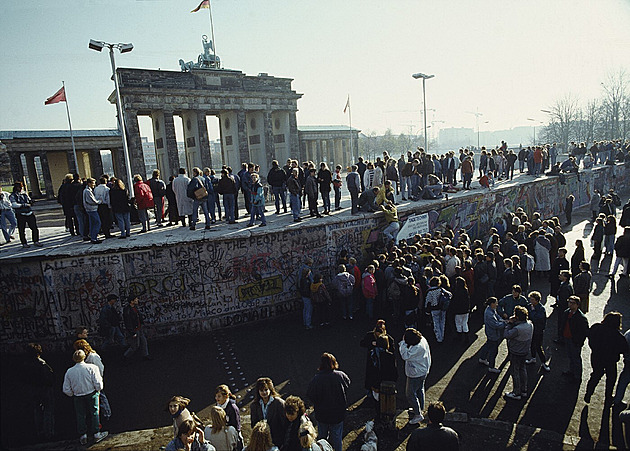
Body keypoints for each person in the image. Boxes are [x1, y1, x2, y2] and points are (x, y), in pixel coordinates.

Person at [62, 350, 108, 445]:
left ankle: (83, 435)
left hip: (78, 396)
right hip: (91, 393)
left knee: (80, 415)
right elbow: (98, 383)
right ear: (84, 357)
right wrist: (98, 390)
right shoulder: (92, 368)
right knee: (94, 412)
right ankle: (96, 433)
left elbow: (66, 389)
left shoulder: (69, 371)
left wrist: (73, 394)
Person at [306, 353, 351, 451]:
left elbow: (310, 394)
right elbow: (348, 384)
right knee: (337, 438)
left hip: (322, 414)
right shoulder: (340, 375)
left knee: (322, 438)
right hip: (338, 414)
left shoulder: (317, 379)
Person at [584, 312, 629, 407]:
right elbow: (624, 348)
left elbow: (589, 336)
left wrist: (594, 348)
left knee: (596, 375)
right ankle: (608, 397)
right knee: (611, 378)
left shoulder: (596, 327)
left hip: (596, 357)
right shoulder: (617, 335)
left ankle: (588, 394)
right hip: (610, 360)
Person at [73, 339, 111, 422]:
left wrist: (97, 378)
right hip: (90, 381)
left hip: (95, 380)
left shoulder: (93, 357)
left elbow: (100, 368)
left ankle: (106, 414)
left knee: (101, 397)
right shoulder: (86, 357)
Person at [399, 328, 431, 424]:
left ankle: (418, 414)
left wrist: (403, 343)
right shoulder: (422, 340)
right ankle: (419, 408)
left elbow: (405, 355)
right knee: (420, 389)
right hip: (423, 370)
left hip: (416, 373)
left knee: (410, 393)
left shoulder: (416, 348)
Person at [24, 343, 55, 440]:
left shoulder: (26, 364)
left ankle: (39, 432)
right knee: (48, 410)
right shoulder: (42, 364)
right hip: (44, 389)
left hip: (33, 390)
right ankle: (49, 432)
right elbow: (50, 377)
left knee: (37, 410)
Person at [503, 306, 534, 400]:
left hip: (516, 351)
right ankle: (524, 390)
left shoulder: (518, 329)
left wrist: (509, 324)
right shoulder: (530, 324)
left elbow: (506, 335)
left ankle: (516, 392)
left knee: (515, 371)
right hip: (525, 351)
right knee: (522, 369)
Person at [250, 377, 287, 447]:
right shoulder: (254, 405)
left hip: (277, 439)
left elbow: (284, 423)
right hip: (262, 441)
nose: (264, 392)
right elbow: (253, 423)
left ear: (270, 389)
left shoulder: (279, 403)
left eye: (266, 390)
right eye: (261, 390)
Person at [560, 296, 589, 383]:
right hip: (567, 338)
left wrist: (579, 342)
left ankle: (577, 376)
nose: (570, 304)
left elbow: (584, 332)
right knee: (570, 356)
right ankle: (571, 371)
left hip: (574, 341)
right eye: (569, 302)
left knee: (576, 358)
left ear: (577, 305)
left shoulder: (581, 318)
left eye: (572, 303)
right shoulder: (566, 312)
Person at [10, 181, 42, 248]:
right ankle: (24, 243)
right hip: (21, 214)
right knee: (22, 229)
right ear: (16, 188)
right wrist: (24, 205)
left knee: (34, 228)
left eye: (21, 187)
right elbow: (14, 205)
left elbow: (29, 200)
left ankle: (36, 240)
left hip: (29, 212)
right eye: (19, 187)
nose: (21, 189)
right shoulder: (13, 195)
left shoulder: (24, 193)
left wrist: (31, 201)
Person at [478, 298, 507, 373]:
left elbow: (497, 316)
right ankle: (491, 367)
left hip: (490, 333)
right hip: (493, 333)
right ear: (492, 304)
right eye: (496, 303)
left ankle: (482, 358)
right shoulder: (489, 314)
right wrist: (504, 323)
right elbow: (495, 325)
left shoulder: (490, 309)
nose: (497, 305)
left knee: (488, 345)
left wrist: (502, 320)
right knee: (494, 351)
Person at [123, 295, 152, 361]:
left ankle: (145, 355)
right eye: (135, 299)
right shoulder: (128, 310)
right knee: (135, 345)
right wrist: (132, 332)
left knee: (144, 341)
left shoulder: (134, 308)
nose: (137, 300)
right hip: (134, 329)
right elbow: (128, 322)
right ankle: (126, 356)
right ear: (132, 301)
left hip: (139, 327)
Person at [424, 276, 451, 343]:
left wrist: (427, 310)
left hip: (434, 309)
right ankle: (443, 335)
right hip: (442, 308)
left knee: (436, 324)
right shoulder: (441, 289)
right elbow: (450, 295)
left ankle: (439, 338)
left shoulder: (429, 291)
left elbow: (427, 302)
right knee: (442, 322)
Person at [451, 276, 471, 342]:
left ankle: (459, 337)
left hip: (458, 311)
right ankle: (466, 337)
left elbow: (454, 302)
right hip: (465, 310)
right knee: (465, 323)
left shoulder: (456, 291)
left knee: (458, 323)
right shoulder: (465, 290)